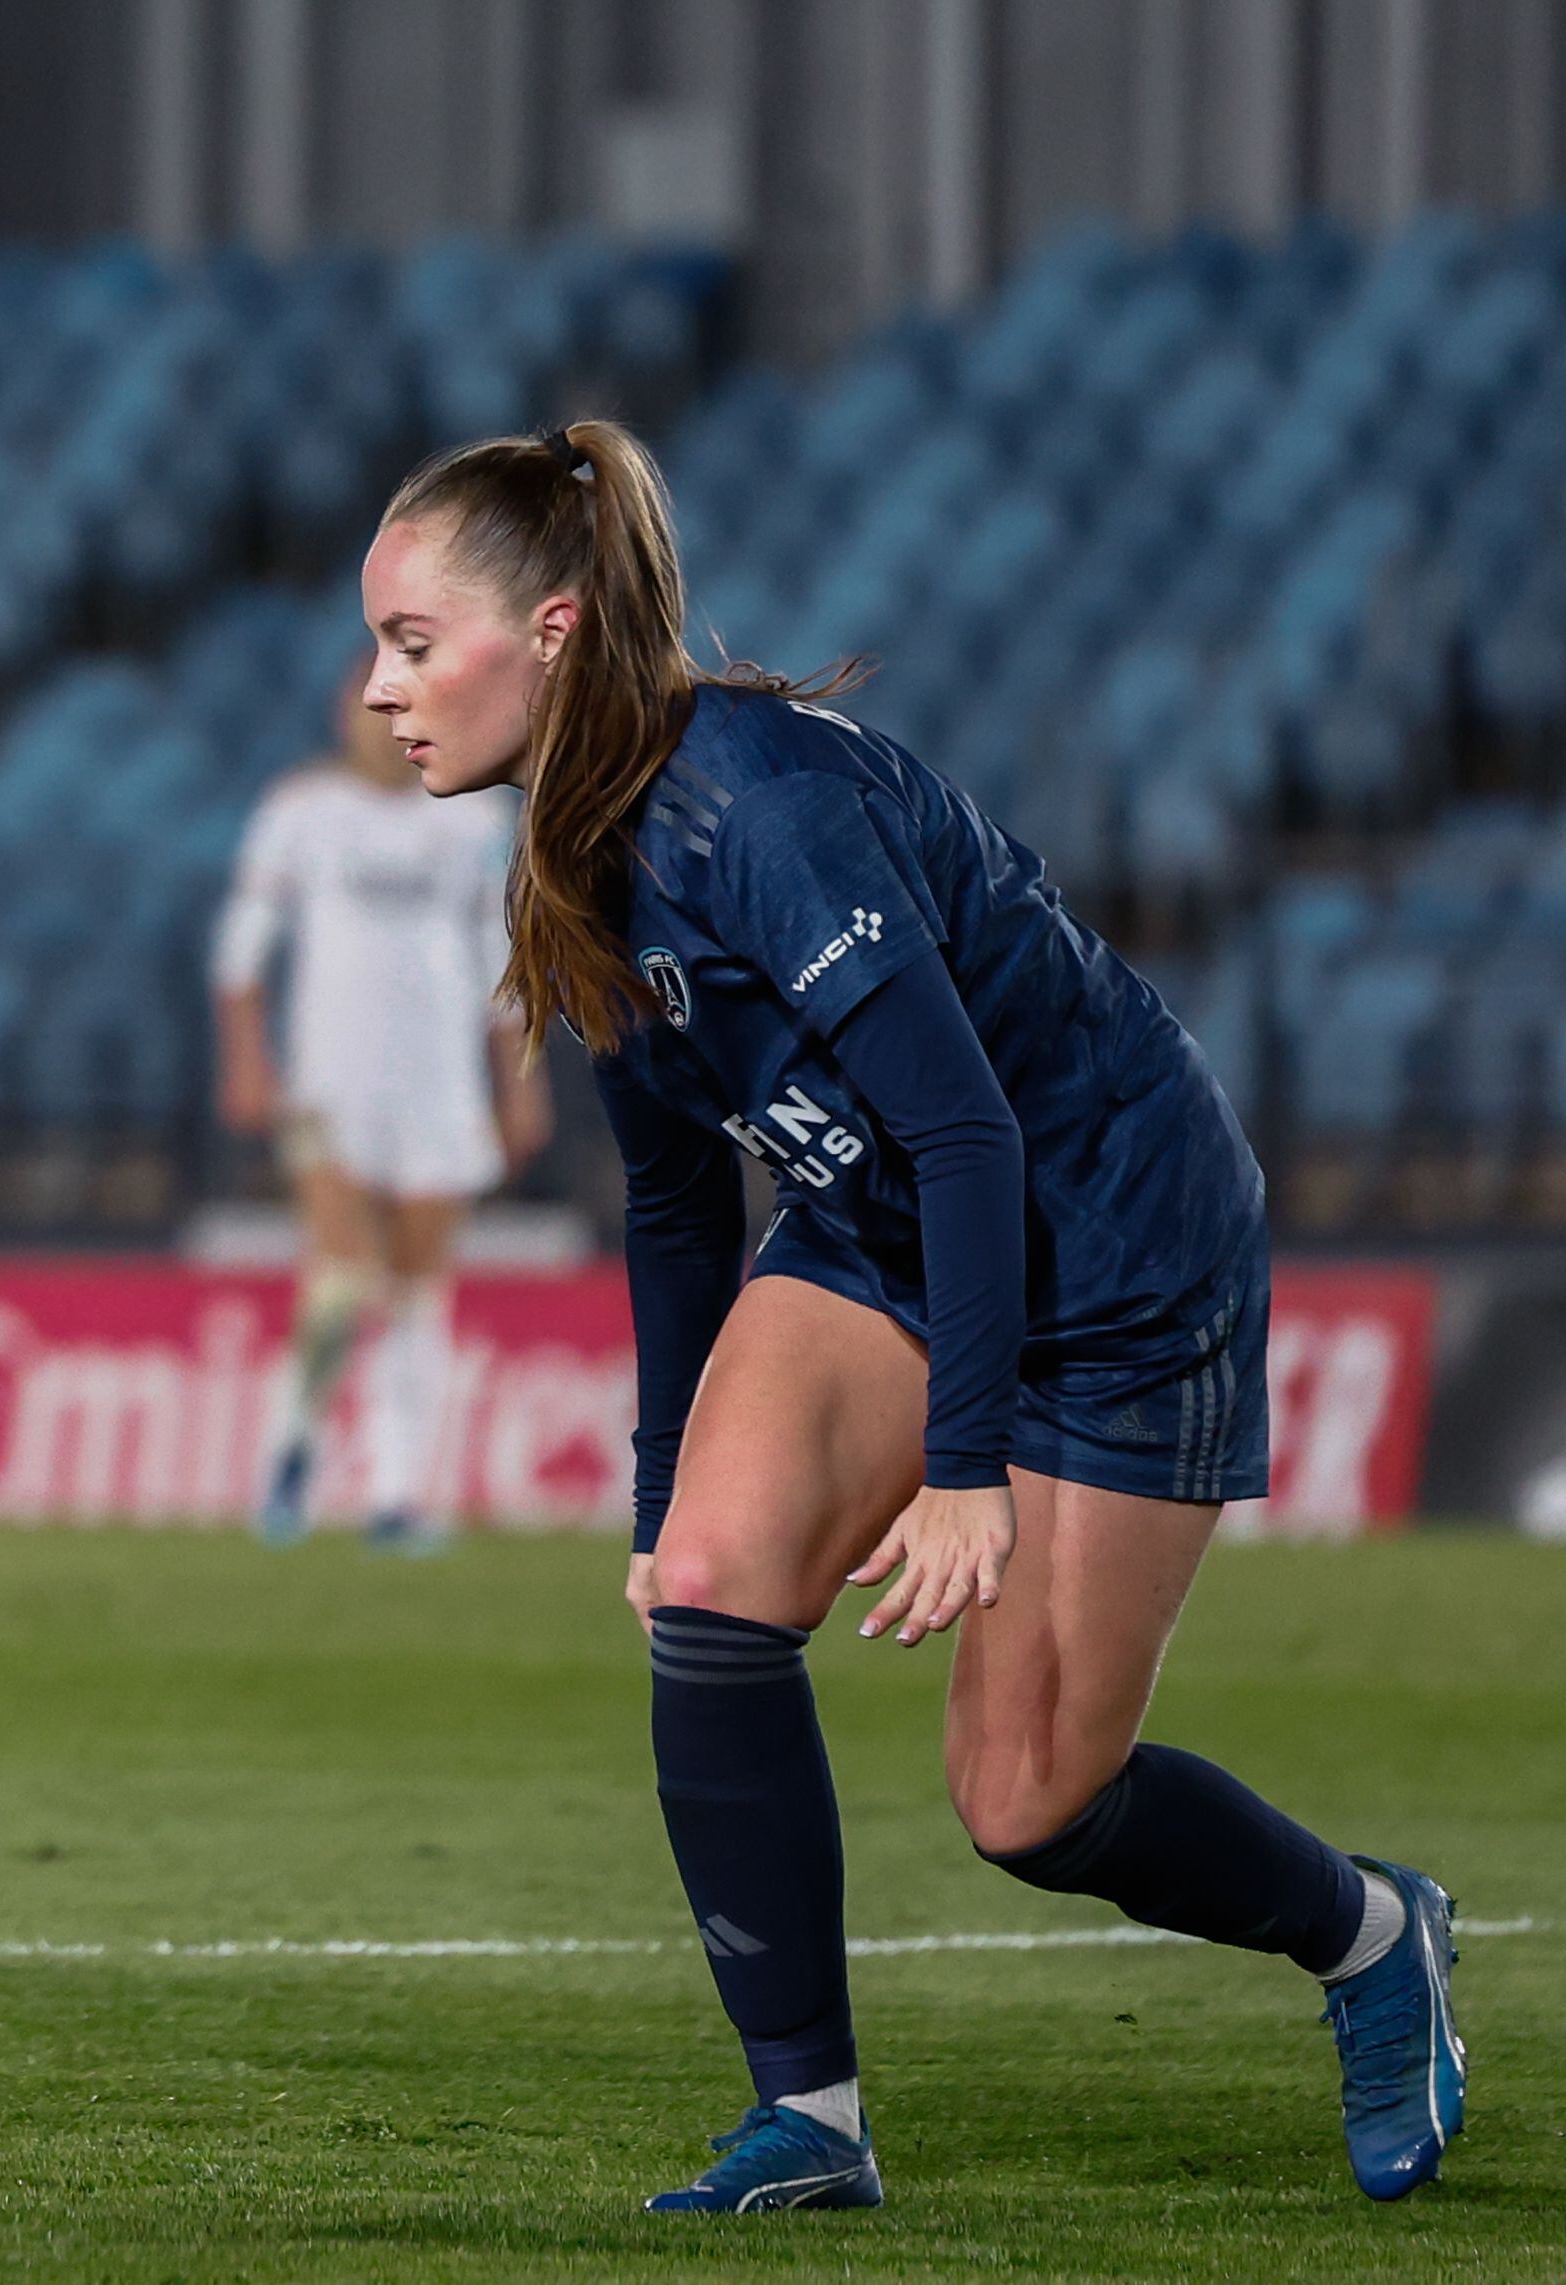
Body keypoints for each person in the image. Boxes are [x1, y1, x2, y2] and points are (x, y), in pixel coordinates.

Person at [362, 421, 1462, 2211]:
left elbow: (972, 1128)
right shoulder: (573, 856)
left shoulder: (756, 806)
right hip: (891, 1227)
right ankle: (814, 2125)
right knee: (713, 1593)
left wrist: (967, 1473)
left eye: (413, 642)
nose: (379, 688)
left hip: (1112, 1244)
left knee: (1029, 1803)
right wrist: (656, 1507)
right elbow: (667, 1201)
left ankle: (1371, 1939)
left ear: (550, 631)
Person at [213, 665, 546, 1550]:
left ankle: (397, 1495)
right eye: (373, 708)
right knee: (339, 1275)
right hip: (329, 1086)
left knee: (418, 1292)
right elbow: (242, 954)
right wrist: (249, 1060)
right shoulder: (302, 814)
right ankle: (291, 1452)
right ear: (344, 718)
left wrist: (520, 1081)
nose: (386, 722)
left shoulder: (475, 819)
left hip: (438, 1087)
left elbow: (499, 959)